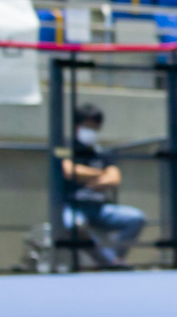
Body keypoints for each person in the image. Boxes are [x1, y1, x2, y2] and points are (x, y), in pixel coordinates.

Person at [61, 104, 146, 269]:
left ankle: (115, 259)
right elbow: (69, 170)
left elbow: (114, 178)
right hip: (75, 206)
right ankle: (106, 261)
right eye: (87, 126)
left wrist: (85, 175)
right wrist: (101, 174)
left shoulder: (102, 153)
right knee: (75, 224)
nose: (91, 130)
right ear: (77, 126)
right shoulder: (67, 148)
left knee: (136, 218)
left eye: (94, 127)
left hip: (101, 208)